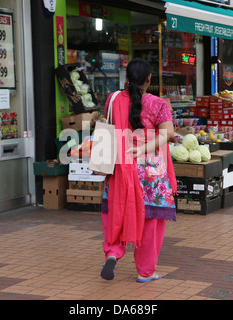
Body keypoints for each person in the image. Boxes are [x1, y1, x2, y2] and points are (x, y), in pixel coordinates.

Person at [100, 58, 177, 283]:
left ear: (127, 77)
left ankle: (113, 252)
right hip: (150, 174)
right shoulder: (158, 104)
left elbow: (110, 128)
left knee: (117, 213)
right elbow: (168, 135)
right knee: (150, 222)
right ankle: (146, 272)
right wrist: (143, 148)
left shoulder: (112, 99)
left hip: (119, 168)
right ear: (150, 79)